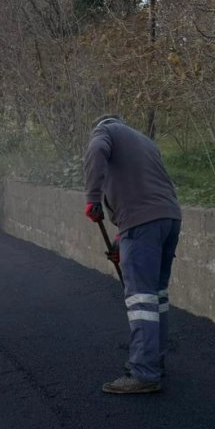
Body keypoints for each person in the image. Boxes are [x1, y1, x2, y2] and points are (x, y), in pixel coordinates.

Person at [83, 114, 182, 395]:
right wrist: (120, 241)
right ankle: (155, 361)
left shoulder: (105, 132)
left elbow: (96, 150)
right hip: (169, 219)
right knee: (157, 296)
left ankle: (144, 372)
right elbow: (144, 191)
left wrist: (92, 198)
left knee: (140, 298)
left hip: (142, 224)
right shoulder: (145, 142)